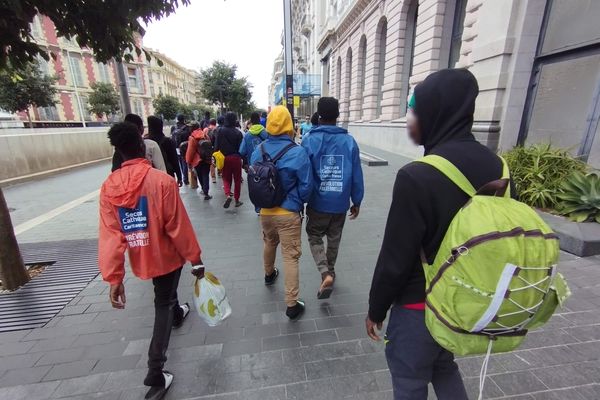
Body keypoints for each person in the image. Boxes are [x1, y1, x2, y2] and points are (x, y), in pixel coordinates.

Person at [366, 69, 502, 400]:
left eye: (416, 110)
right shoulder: (499, 166)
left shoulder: (418, 175)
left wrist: (376, 309)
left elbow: (396, 258)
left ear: (434, 113)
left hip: (418, 307)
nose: (412, 119)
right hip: (464, 302)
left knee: (410, 379)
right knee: (443, 365)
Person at [98, 122, 204, 399]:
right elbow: (177, 227)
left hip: (140, 254)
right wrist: (196, 259)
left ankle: (178, 312)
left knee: (165, 297)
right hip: (167, 255)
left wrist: (114, 278)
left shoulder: (109, 187)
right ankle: (155, 370)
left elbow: (111, 235)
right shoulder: (162, 181)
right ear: (142, 147)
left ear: (119, 151)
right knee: (163, 303)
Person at [250, 105, 313, 320]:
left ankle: (269, 275)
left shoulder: (258, 150)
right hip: (288, 213)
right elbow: (306, 187)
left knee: (269, 242)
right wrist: (296, 201)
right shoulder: (298, 152)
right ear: (289, 125)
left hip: (265, 212)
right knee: (291, 257)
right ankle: (292, 304)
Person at [302, 97, 364, 299]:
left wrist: (301, 199)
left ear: (319, 116)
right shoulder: (349, 141)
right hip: (340, 203)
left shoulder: (309, 140)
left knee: (314, 235)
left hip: (317, 203)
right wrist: (357, 200)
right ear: (337, 116)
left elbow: (304, 173)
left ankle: (324, 272)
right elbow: (356, 174)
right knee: (334, 238)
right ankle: (331, 271)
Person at [214, 112, 244, 208]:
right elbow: (241, 149)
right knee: (237, 180)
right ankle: (237, 200)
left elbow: (216, 146)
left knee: (226, 178)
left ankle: (228, 194)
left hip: (224, 158)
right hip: (236, 158)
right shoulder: (238, 132)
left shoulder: (220, 131)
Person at [147, 116, 183, 186]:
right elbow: (174, 160)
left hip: (152, 176)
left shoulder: (145, 142)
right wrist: (179, 177)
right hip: (168, 173)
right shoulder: (168, 141)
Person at [186, 121, 213, 200]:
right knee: (205, 175)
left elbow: (190, 151)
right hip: (206, 159)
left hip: (197, 160)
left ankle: (204, 190)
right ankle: (206, 192)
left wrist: (188, 161)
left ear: (193, 128)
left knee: (200, 176)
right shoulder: (205, 135)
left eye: (190, 127)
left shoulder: (192, 137)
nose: (189, 128)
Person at [171, 114, 190, 185]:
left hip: (176, 148)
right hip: (185, 148)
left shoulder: (174, 127)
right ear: (183, 119)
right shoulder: (187, 128)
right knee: (185, 162)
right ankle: (186, 179)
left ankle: (183, 177)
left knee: (181, 162)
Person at [204, 118, 218, 184]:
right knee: (218, 159)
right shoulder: (218, 129)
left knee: (212, 162)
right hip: (216, 147)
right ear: (215, 123)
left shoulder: (206, 130)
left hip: (209, 148)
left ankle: (213, 177)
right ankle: (220, 172)